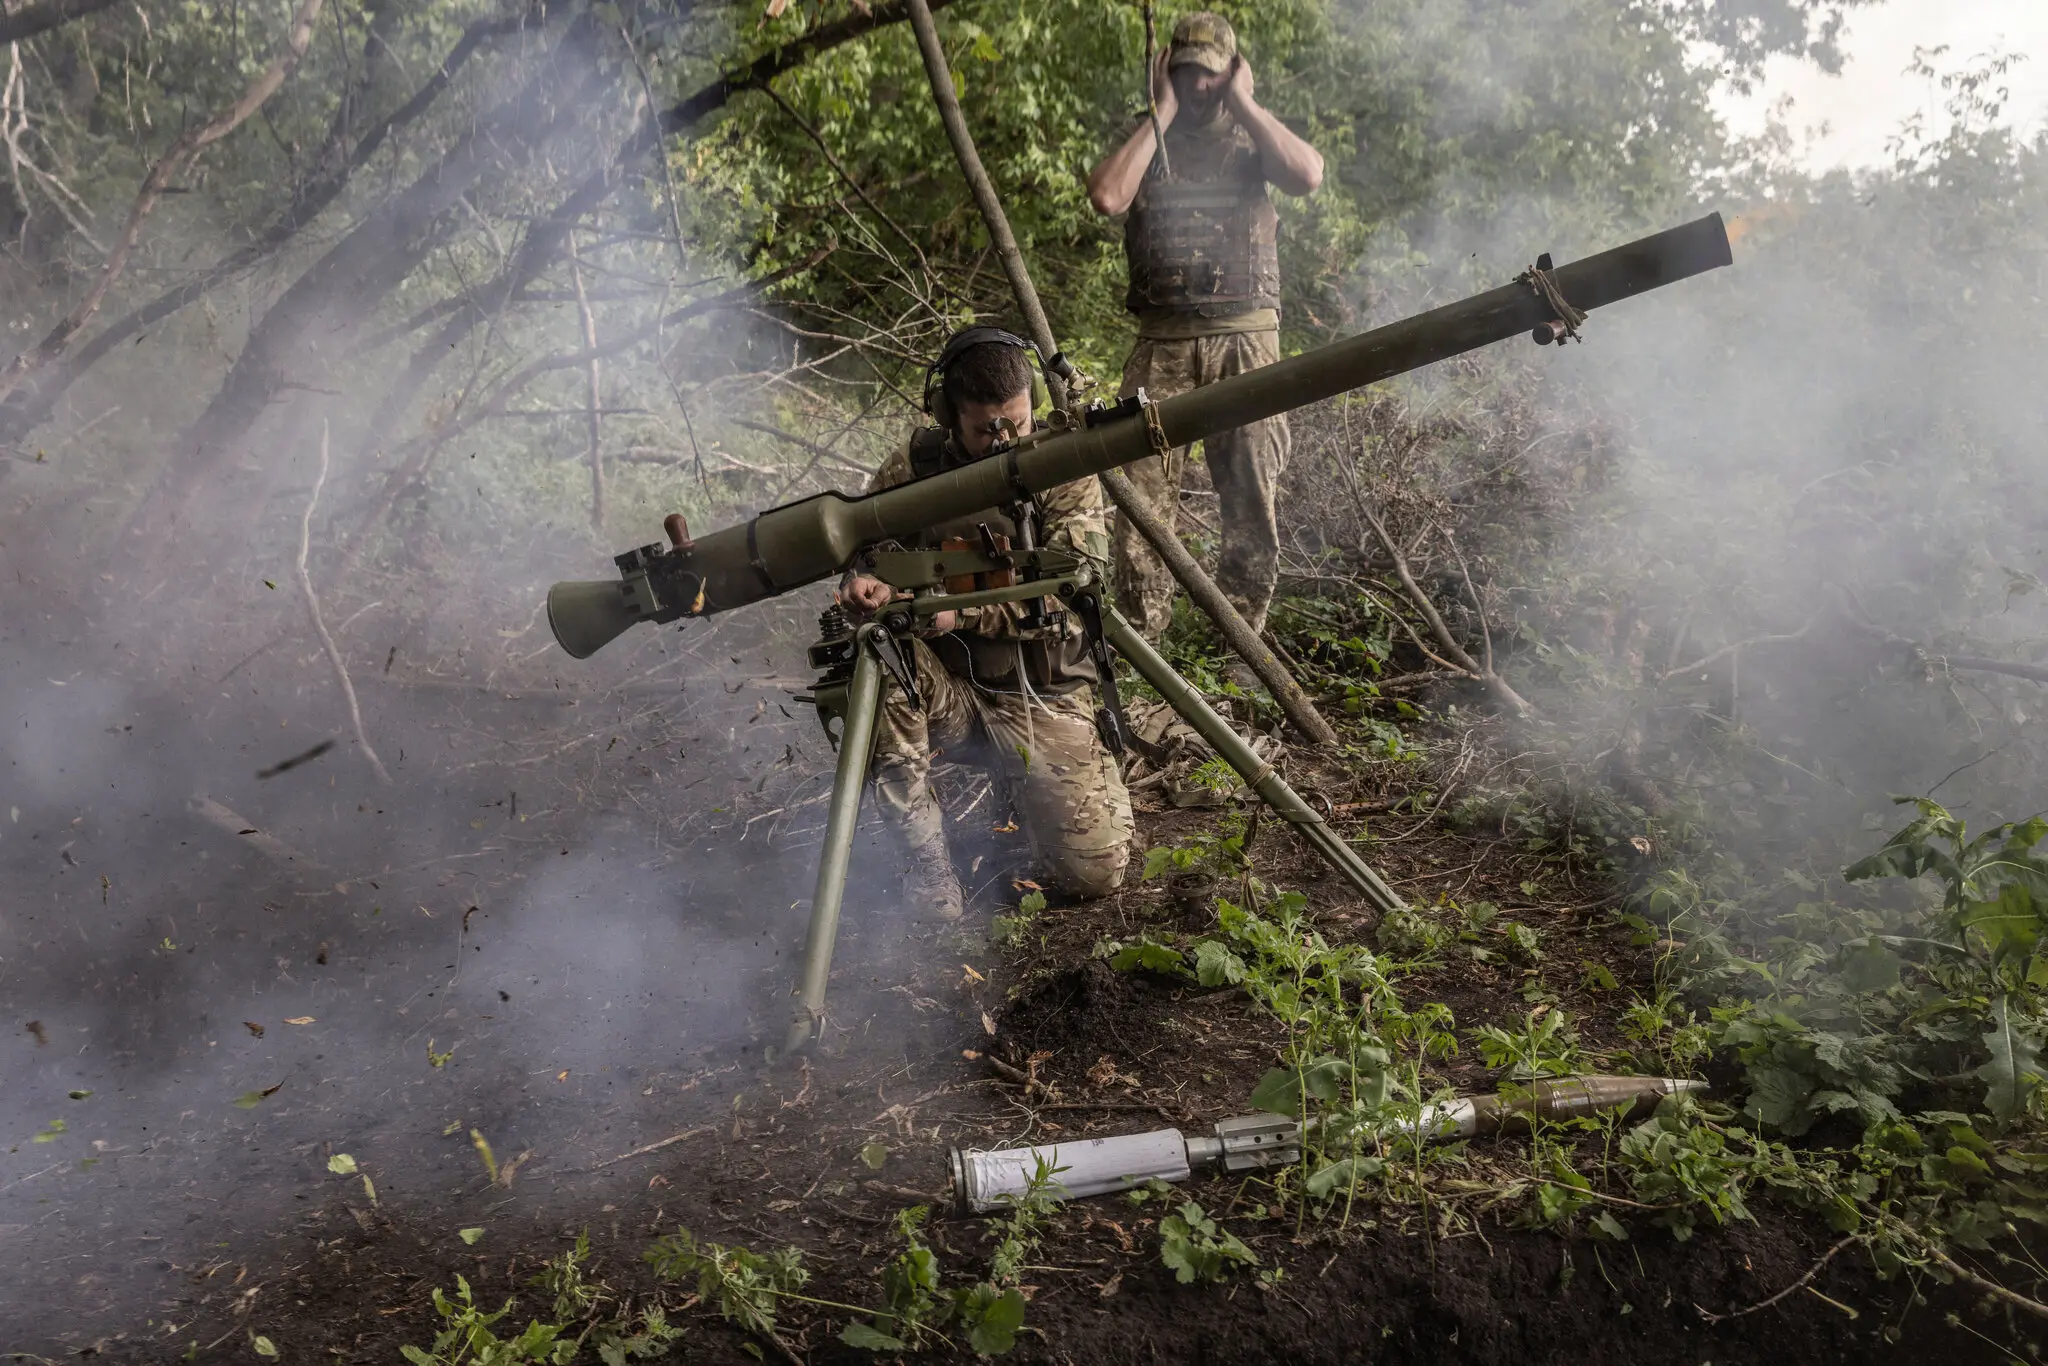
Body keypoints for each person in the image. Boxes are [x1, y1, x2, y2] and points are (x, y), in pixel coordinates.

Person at [837, 329, 1135, 920]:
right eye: (984, 430)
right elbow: (864, 552)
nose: (1003, 441)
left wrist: (960, 611)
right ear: (948, 415)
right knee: (879, 651)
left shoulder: (1061, 467)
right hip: (953, 695)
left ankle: (1039, 784)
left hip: (1043, 696)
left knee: (1093, 874)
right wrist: (862, 582)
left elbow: (1074, 600)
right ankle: (925, 863)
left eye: (1016, 425)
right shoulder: (912, 468)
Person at [1085, 11, 1324, 640]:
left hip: (1245, 339)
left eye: (1211, 74)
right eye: (1187, 72)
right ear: (1168, 69)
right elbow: (1107, 197)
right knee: (1140, 499)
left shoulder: (1253, 138)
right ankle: (1144, 640)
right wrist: (1161, 111)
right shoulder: (1148, 135)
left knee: (1250, 497)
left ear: (1232, 73)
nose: (1198, 86)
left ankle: (1240, 645)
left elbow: (1307, 176)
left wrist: (1243, 102)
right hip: (1163, 341)